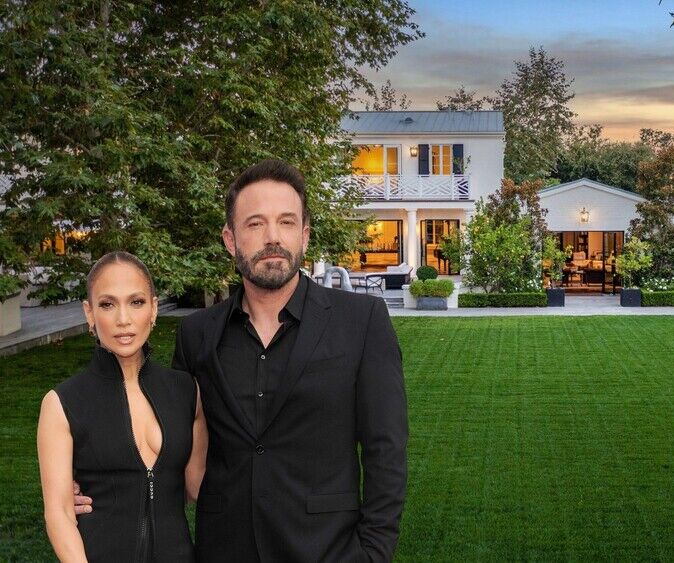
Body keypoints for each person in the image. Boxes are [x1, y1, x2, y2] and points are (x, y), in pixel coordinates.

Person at [77, 160, 408, 561]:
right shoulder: (197, 334)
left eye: (286, 222)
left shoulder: (361, 321)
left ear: (304, 235)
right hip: (224, 549)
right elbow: (171, 448)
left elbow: (386, 449)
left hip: (328, 549)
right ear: (231, 240)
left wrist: (373, 552)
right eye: (255, 224)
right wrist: (95, 486)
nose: (273, 237)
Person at [38, 251, 208, 562]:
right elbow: (59, 512)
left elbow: (198, 486)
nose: (123, 319)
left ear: (153, 309)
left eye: (136, 302)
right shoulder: (62, 403)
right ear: (89, 313)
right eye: (107, 304)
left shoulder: (186, 391)